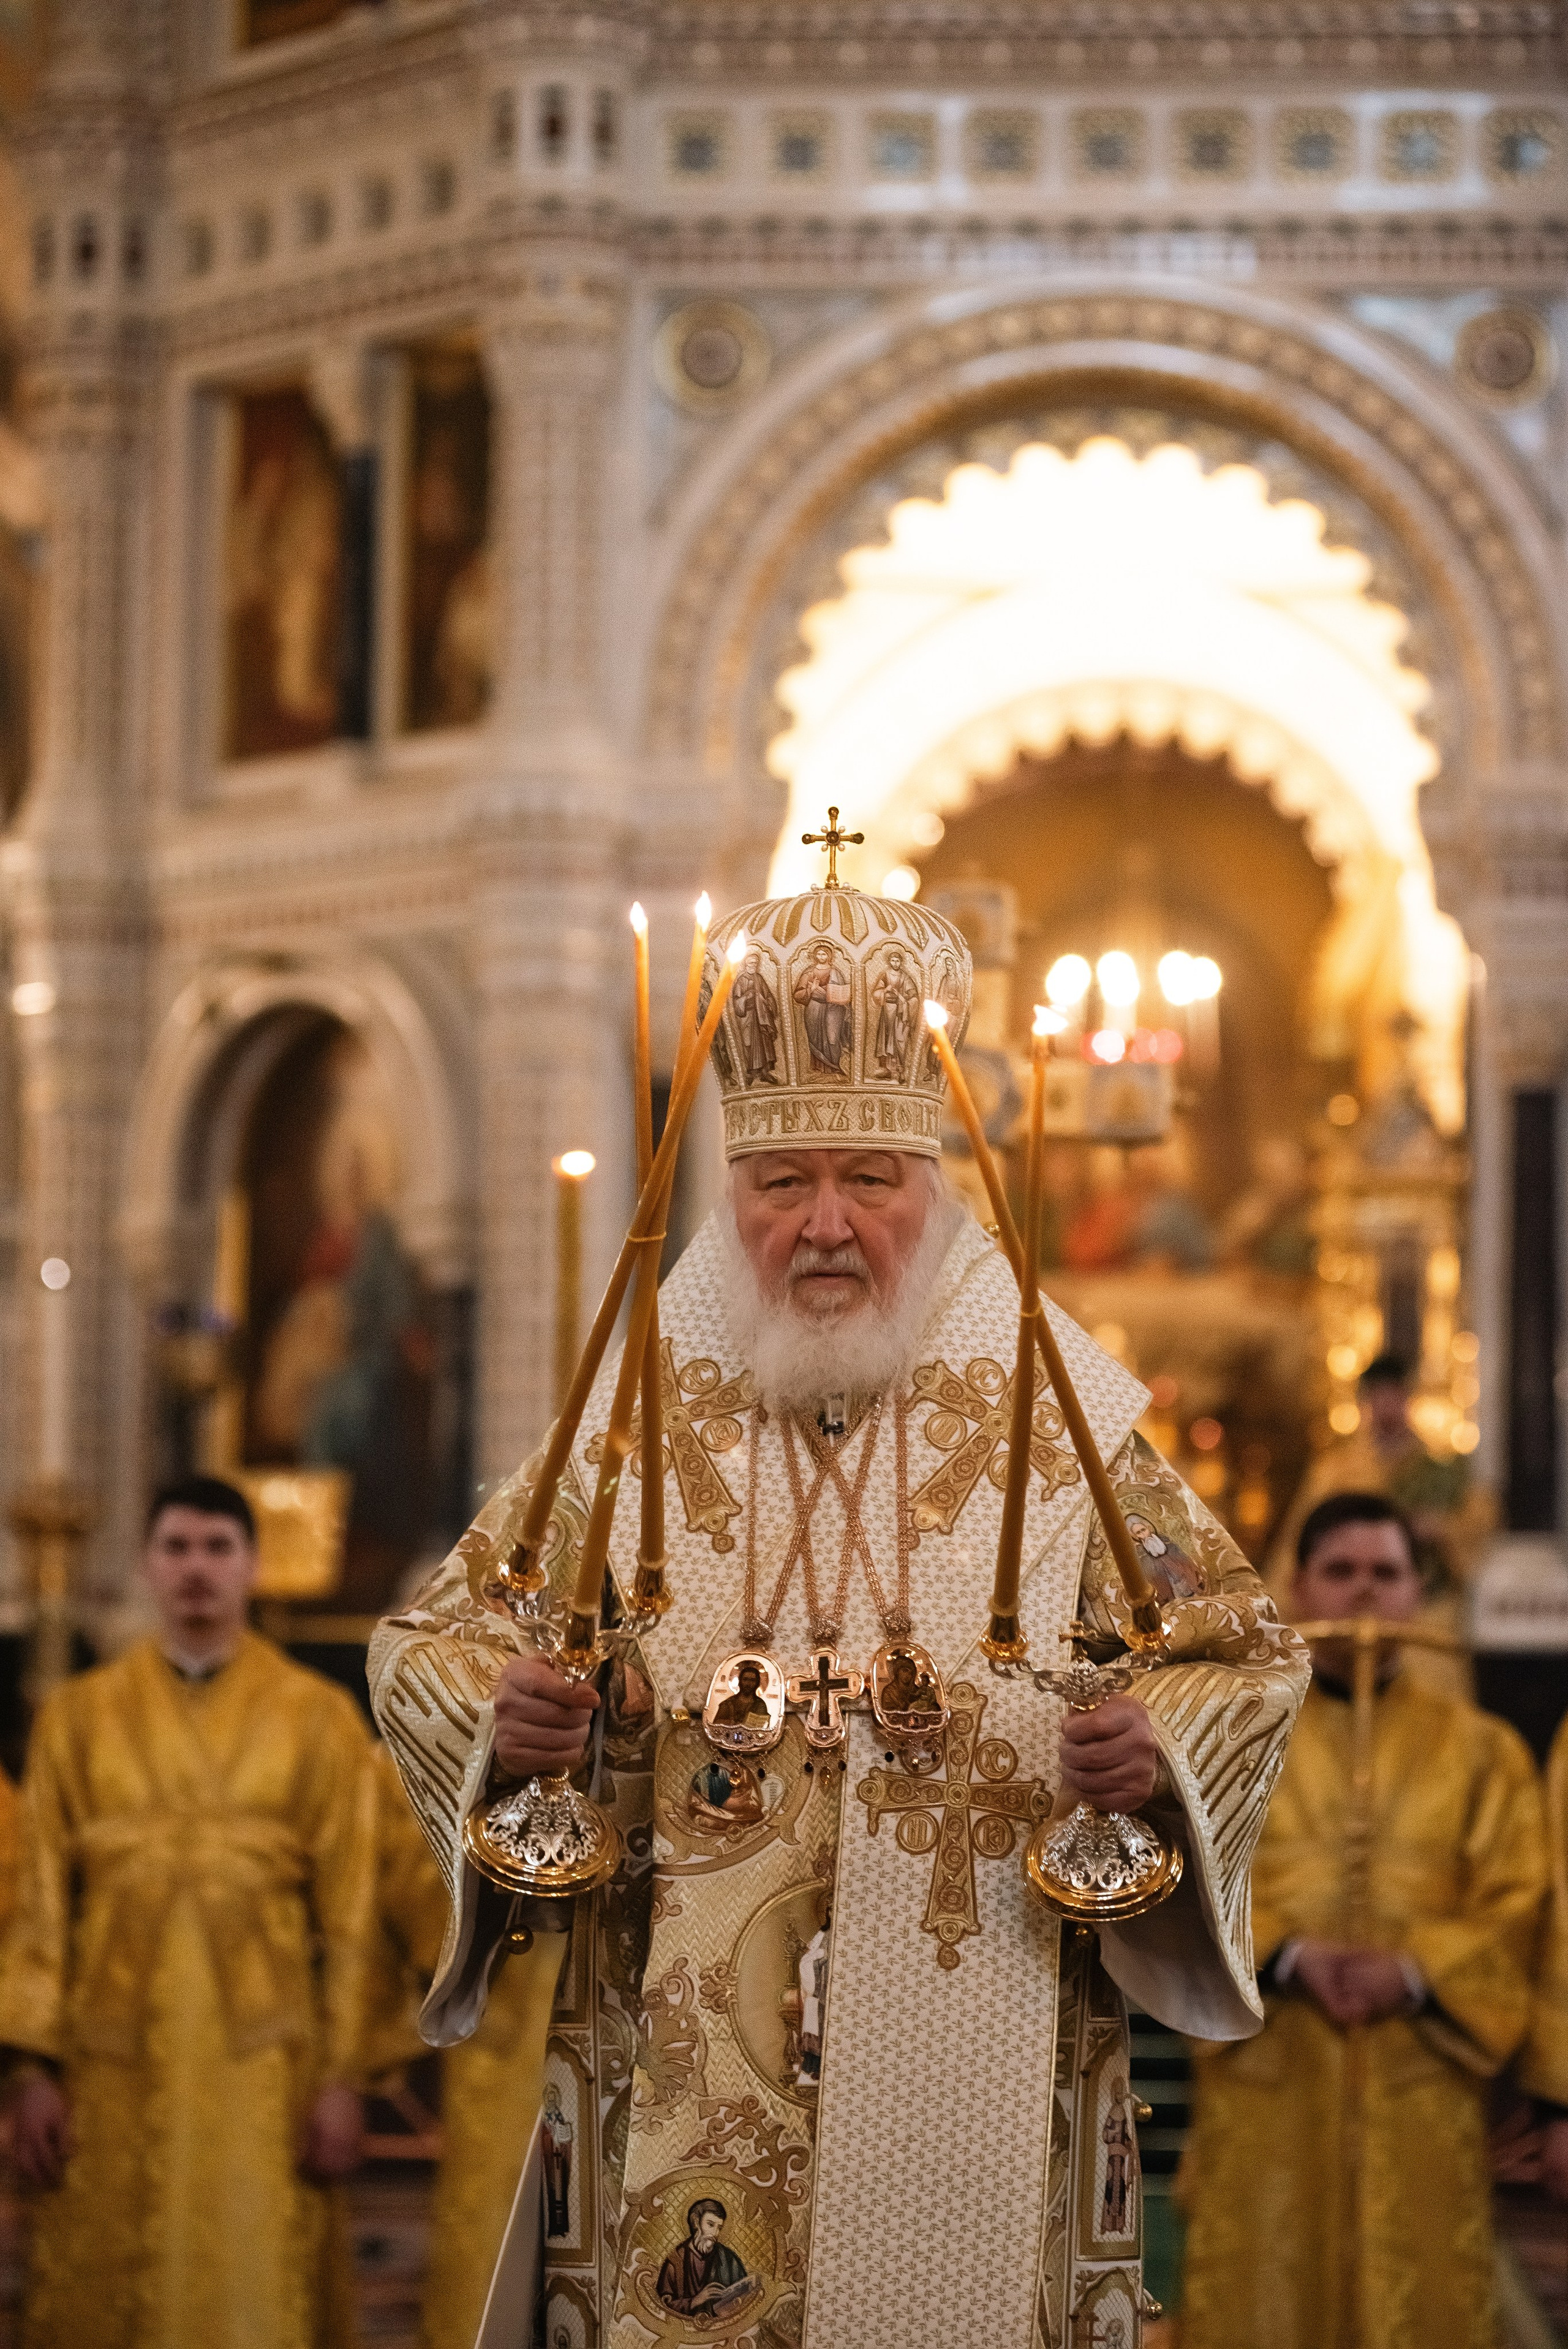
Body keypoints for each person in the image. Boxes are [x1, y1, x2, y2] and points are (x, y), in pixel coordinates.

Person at [372, 878, 1308, 2349]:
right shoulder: (636, 1401)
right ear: (725, 1192)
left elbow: (1237, 1649)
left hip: (985, 1985)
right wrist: (504, 1715)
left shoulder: (1048, 1403)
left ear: (931, 1185)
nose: (821, 1224)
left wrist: (1151, 1747)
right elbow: (433, 1640)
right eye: (779, 1181)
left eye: (868, 1177)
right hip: (676, 2021)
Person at [0, 1474, 378, 2349]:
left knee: (251, 2281)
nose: (196, 1569)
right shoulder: (77, 1716)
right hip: (108, 2054)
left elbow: (353, 1912)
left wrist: (343, 2079)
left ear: (252, 1566)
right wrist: (29, 2072)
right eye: (177, 1548)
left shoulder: (318, 1718)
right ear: (146, 1565)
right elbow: (39, 1904)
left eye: (218, 1549)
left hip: (265, 2066)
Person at [1180, 1490, 1547, 2349]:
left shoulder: (1481, 1751)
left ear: (1417, 1593)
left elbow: (1517, 1902)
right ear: (1299, 1590)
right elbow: (1194, 1878)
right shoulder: (1237, 1744)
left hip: (1421, 2080)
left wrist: (1415, 1971)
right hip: (1271, 2072)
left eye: (1386, 1572)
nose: (1365, 1595)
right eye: (1340, 1572)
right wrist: (1289, 1954)